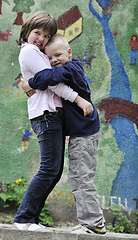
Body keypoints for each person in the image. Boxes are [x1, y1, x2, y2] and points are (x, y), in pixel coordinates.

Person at [13, 12, 93, 231]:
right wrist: (79, 99)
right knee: (49, 169)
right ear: (27, 30)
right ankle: (24, 219)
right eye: (37, 32)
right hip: (46, 114)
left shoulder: (37, 52)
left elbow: (45, 79)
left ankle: (30, 218)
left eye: (46, 36)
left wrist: (31, 84)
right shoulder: (29, 51)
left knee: (54, 171)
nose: (41, 38)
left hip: (51, 114)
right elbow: (53, 82)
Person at [22, 33, 106, 234]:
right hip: (82, 134)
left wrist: (30, 82)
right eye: (49, 58)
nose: (54, 61)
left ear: (69, 52)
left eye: (57, 55)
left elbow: (51, 77)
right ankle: (90, 222)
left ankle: (94, 224)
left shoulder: (71, 68)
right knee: (78, 177)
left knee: (81, 177)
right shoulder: (67, 68)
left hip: (85, 134)